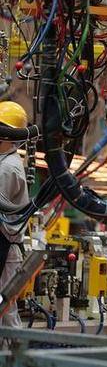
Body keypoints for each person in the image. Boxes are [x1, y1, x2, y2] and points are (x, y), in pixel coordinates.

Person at [0, 102, 30, 328]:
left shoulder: (7, 168)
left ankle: (15, 349)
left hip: (6, 247)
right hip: (6, 245)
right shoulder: (6, 161)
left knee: (6, 312)